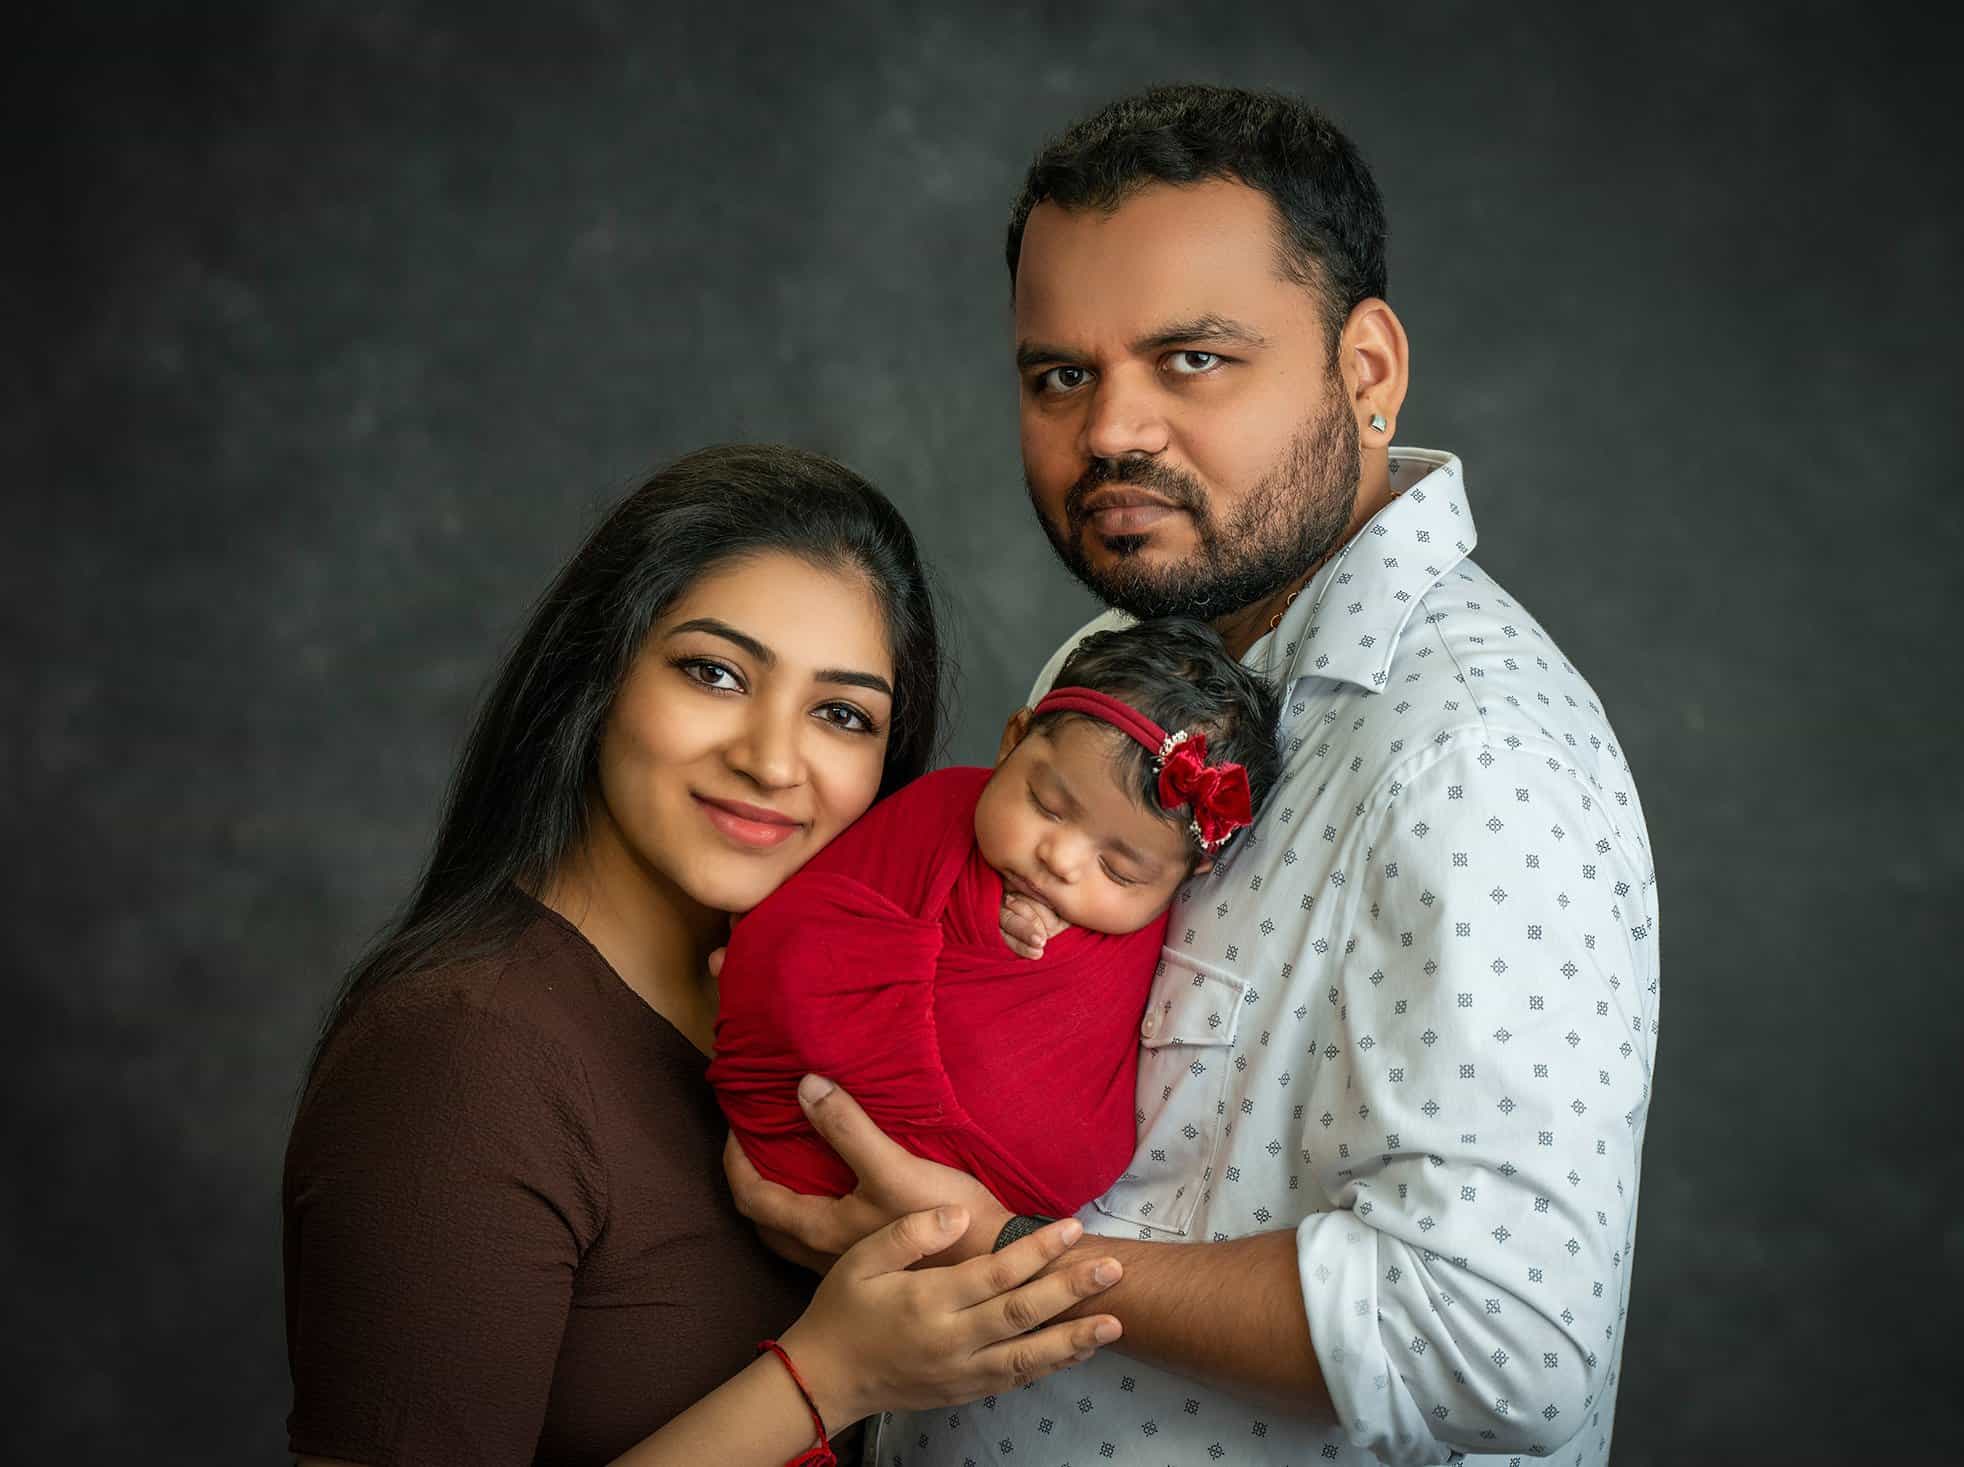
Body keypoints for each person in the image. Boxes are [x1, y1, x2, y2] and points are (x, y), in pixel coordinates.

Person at [725, 86, 1660, 1467]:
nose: (1112, 431)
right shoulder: (1121, 654)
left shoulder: (1475, 751)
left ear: (1368, 370)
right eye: (1060, 375)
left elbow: (1500, 1339)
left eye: (1193, 360)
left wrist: (1012, 1255)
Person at [282, 443, 1123, 1467]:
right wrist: (829, 1377)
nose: (771, 759)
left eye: (840, 715)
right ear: (597, 676)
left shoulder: (825, 1024)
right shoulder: (458, 1056)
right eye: (714, 673)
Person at [710, 617, 1282, 1219]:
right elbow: (805, 926)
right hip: (791, 1121)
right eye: (1046, 806)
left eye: (1118, 871)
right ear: (1013, 741)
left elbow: (1072, 1112)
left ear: (1186, 876)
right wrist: (974, 913)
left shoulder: (1161, 936)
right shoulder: (940, 806)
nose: (1058, 860)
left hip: (965, 1212)